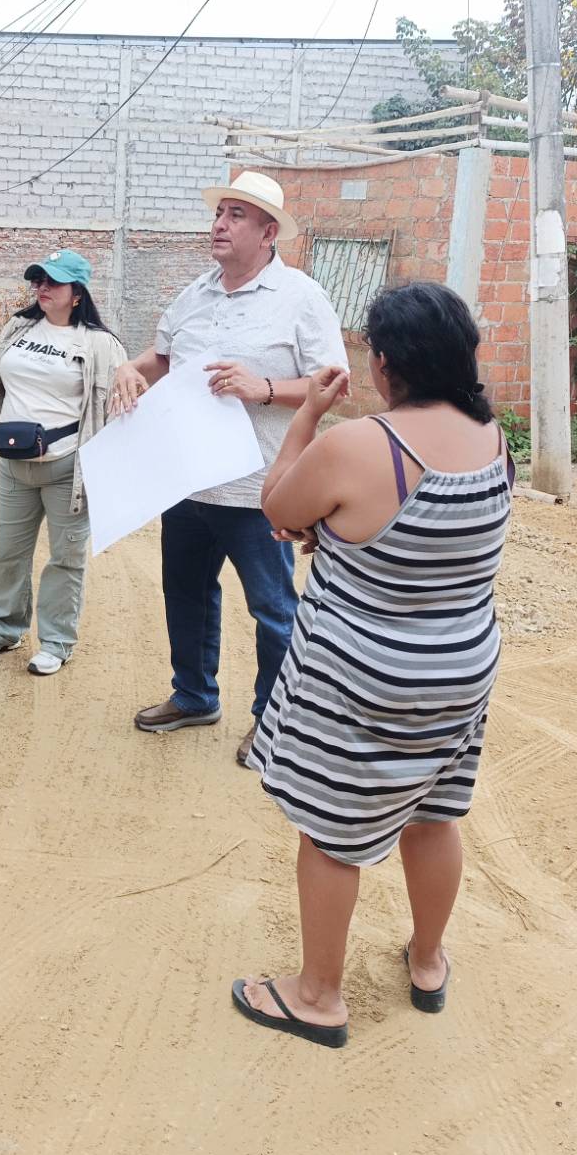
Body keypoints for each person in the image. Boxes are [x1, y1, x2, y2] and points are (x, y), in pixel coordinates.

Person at [230, 282, 515, 1049]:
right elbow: (421, 546)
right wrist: (337, 530)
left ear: (385, 363)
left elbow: (278, 508)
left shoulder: (361, 444)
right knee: (434, 813)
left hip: (366, 681)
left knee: (331, 833)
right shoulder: (493, 439)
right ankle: (428, 961)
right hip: (461, 671)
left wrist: (308, 418)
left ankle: (318, 997)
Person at [110, 171, 347, 761]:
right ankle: (194, 696)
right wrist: (129, 368)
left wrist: (263, 387)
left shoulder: (300, 297)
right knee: (185, 593)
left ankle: (274, 720)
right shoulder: (195, 294)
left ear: (269, 233)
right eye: (220, 212)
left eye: (237, 215)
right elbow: (163, 357)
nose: (220, 223)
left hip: (258, 489)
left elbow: (333, 383)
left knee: (273, 609)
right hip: (187, 481)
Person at [0, 249, 127, 676]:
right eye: (38, 280)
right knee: (9, 549)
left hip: (67, 468)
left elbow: (115, 408)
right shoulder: (18, 328)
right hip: (13, 462)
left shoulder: (99, 344)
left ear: (77, 294)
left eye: (53, 282)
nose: (42, 288)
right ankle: (4, 628)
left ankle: (57, 642)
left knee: (65, 558)